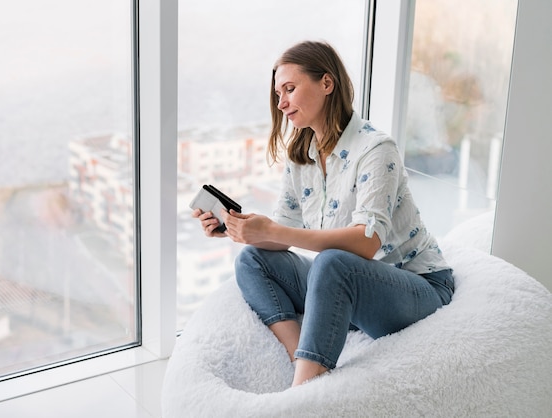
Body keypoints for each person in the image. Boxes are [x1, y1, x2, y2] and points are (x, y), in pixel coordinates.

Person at [192, 40, 454, 387]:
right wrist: (240, 230)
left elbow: (364, 244)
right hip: (352, 281)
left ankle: (304, 391)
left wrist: (273, 230)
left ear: (326, 84)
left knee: (332, 263)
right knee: (252, 260)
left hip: (416, 286)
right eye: (278, 93)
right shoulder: (302, 156)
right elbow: (280, 233)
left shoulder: (376, 149)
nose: (281, 103)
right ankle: (299, 352)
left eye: (290, 89)